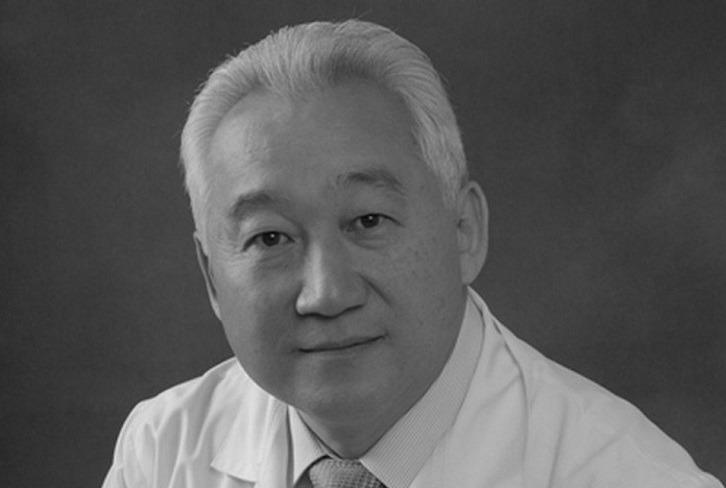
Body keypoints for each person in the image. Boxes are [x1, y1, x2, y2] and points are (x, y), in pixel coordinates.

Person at [102, 20, 722, 488]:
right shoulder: (162, 452)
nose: (326, 293)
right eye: (270, 238)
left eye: (368, 220)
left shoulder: (627, 475)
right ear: (212, 278)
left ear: (464, 230)